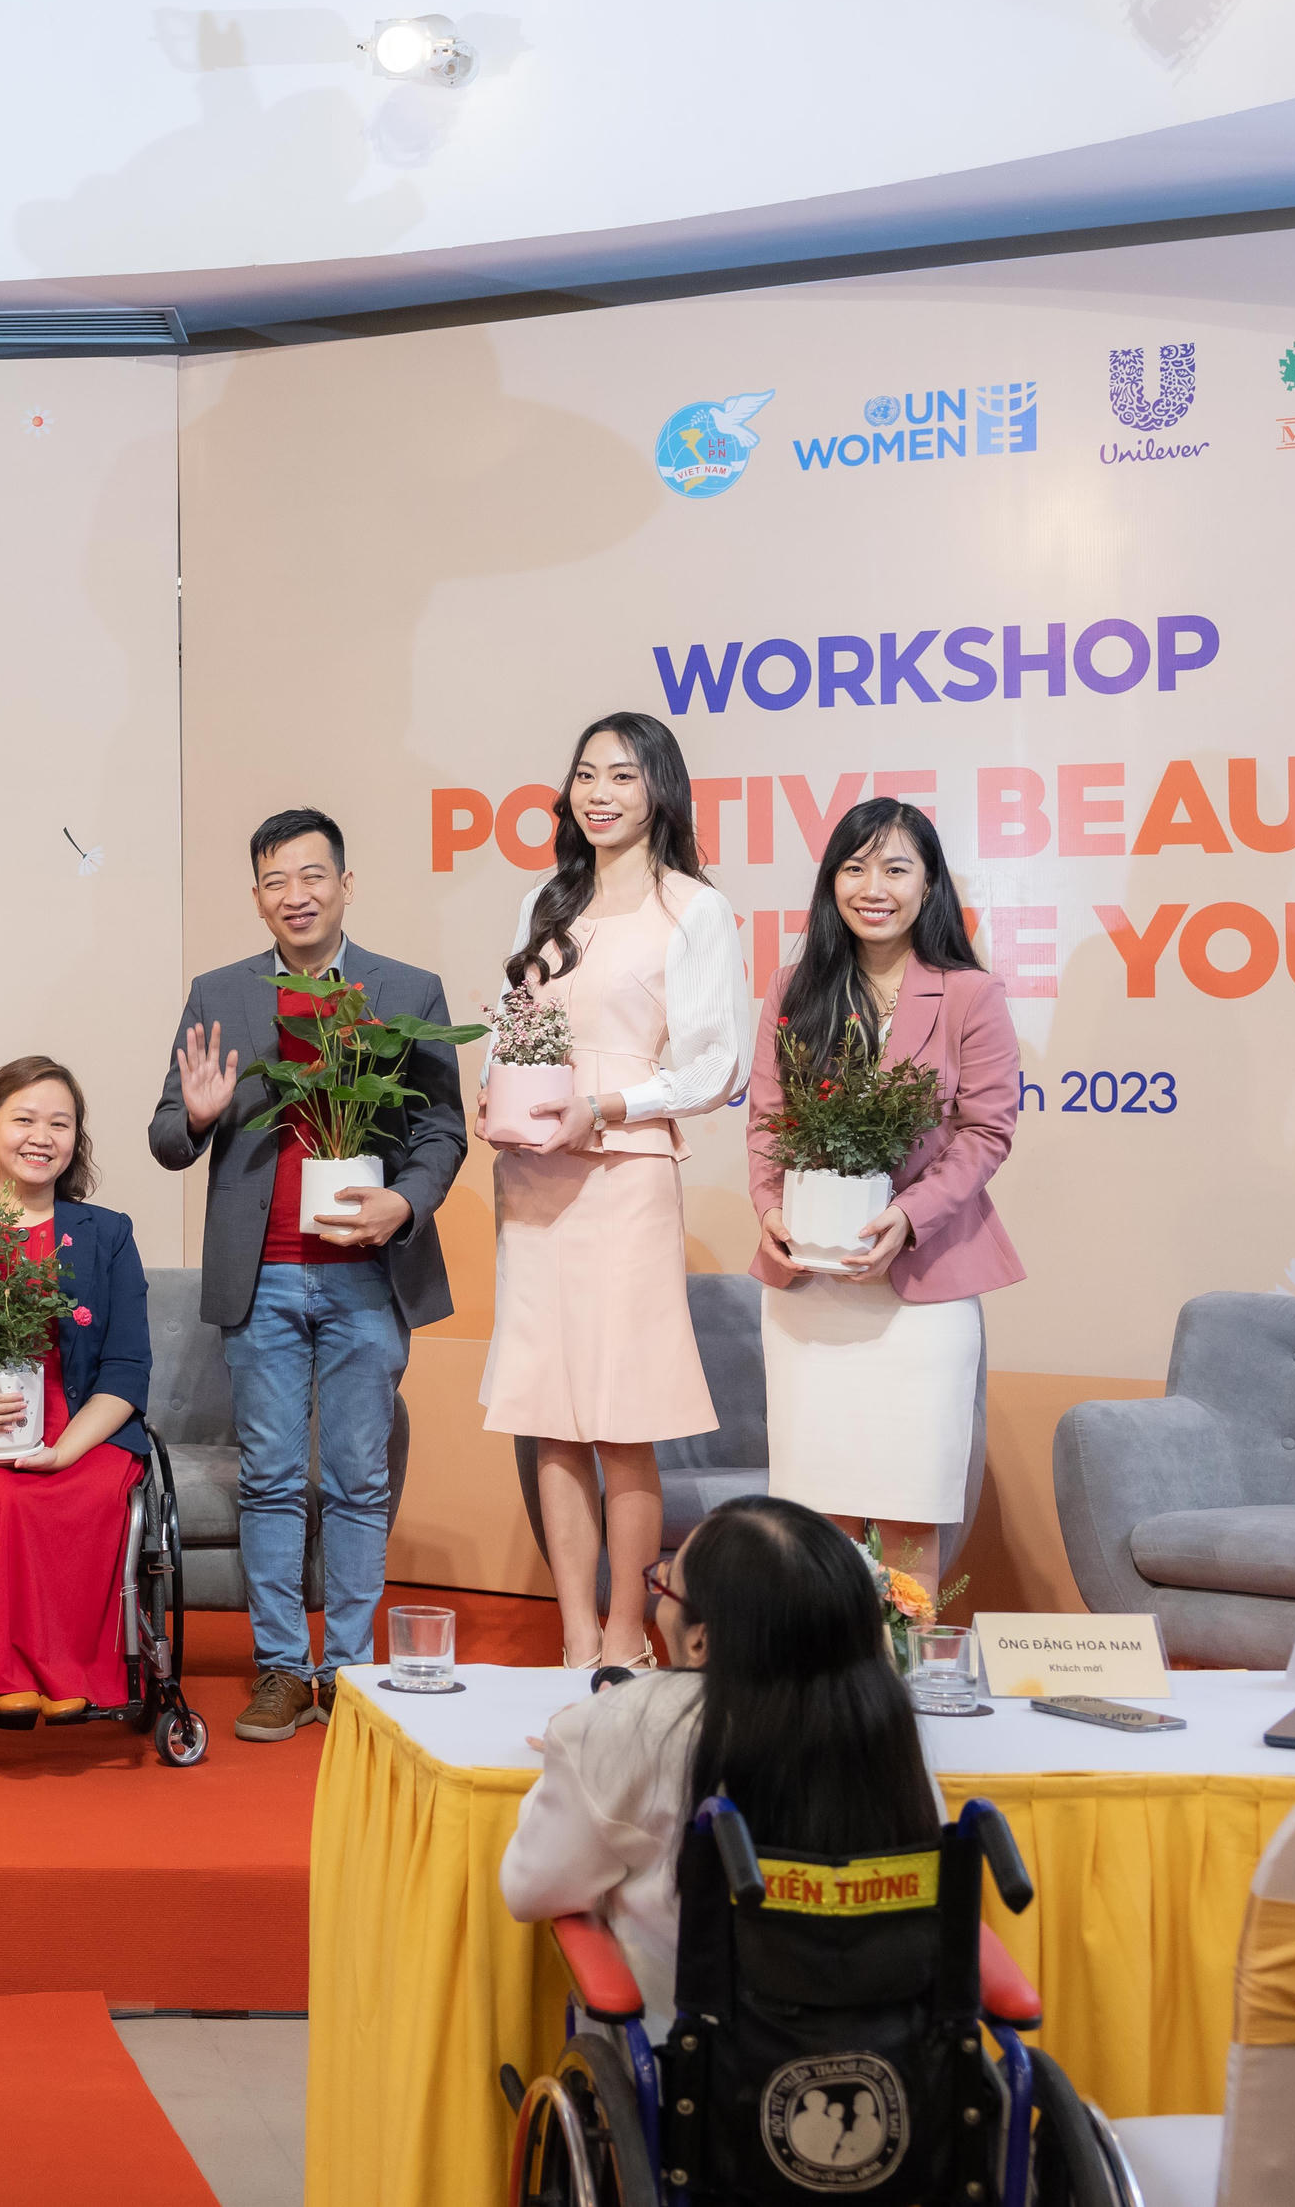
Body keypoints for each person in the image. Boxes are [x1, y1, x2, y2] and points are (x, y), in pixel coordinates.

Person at [150, 810, 467, 1744]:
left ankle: (352, 1669)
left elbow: (442, 1130)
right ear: (257, 898)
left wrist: (404, 1201)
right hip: (265, 1278)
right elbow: (167, 1135)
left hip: (369, 1274)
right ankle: (284, 1668)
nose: (296, 895)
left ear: (345, 884)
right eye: (276, 881)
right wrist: (197, 1115)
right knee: (273, 1478)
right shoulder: (218, 993)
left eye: (312, 875)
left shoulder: (407, 990)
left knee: (360, 1478)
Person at [484, 712, 749, 1673]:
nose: (599, 793)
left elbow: (718, 1064)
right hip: (535, 1174)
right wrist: (497, 1091)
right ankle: (574, 1635)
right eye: (586, 774)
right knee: (551, 1415)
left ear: (659, 790)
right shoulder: (544, 900)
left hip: (628, 1170)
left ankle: (627, 1633)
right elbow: (517, 1025)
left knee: (623, 1417)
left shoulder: (695, 909)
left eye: (623, 776)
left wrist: (607, 1103)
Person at [499, 1494, 946, 2037]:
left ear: (700, 1639)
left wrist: (577, 1750)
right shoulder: (887, 1722)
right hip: (896, 2056)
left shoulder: (620, 1725)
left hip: (692, 2060)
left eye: (664, 1584)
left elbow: (530, 1887)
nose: (659, 1594)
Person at [750, 801, 1023, 1595]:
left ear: (928, 884)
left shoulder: (969, 994)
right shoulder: (794, 988)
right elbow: (767, 1120)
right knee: (815, 1518)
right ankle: (828, 1669)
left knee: (908, 1509)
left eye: (896, 868)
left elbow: (986, 1131)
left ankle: (901, 1666)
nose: (874, 887)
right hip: (811, 1287)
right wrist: (770, 1209)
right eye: (855, 867)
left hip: (922, 1289)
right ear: (831, 880)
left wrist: (907, 1217)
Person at [0, 1056, 160, 1726]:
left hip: (83, 1423)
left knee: (88, 1493)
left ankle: (75, 1672)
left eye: (59, 1124)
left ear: (75, 1139)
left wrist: (66, 1449)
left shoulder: (108, 1234)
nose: (42, 1137)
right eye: (24, 1119)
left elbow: (127, 1366)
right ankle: (2, 1672)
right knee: (1, 1497)